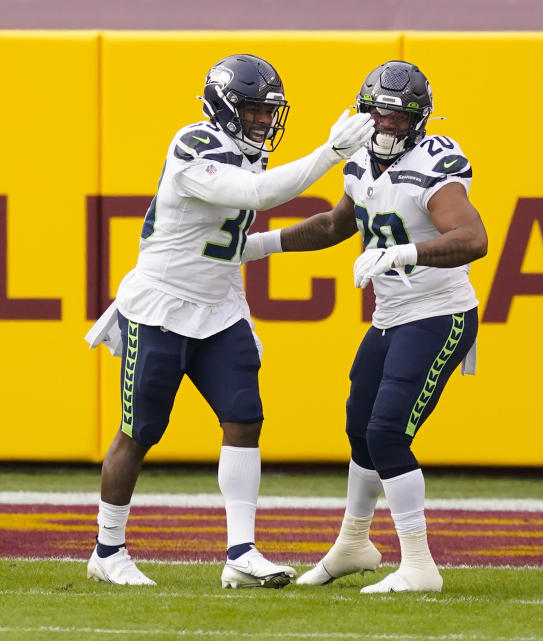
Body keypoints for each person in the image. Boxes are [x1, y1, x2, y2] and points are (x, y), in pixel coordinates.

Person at [83, 53, 374, 587]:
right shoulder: (193, 146)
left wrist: (279, 244)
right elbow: (256, 195)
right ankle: (107, 549)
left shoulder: (247, 153)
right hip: (162, 306)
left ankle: (241, 553)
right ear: (223, 104)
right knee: (139, 431)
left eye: (270, 112)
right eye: (255, 110)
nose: (265, 121)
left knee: (244, 417)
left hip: (219, 307)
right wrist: (330, 154)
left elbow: (227, 244)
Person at [242, 59, 486, 593]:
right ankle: (354, 542)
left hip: (439, 312)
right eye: (379, 114)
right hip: (391, 316)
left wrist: (404, 252)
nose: (387, 125)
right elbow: (335, 223)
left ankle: (419, 564)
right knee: (359, 426)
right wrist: (259, 245)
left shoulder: (435, 161)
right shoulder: (359, 156)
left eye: (399, 118)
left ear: (419, 120)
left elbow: (473, 238)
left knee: (387, 433)